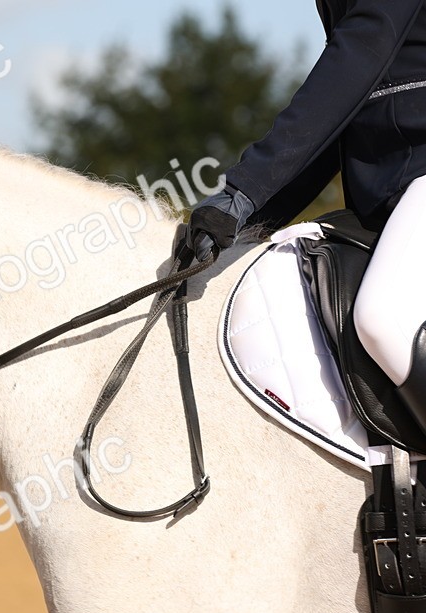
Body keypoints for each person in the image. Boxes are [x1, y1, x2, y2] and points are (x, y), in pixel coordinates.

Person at [179, 0, 426, 431]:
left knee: (381, 318)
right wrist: (248, 217)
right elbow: (346, 115)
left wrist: (242, 189)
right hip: (389, 200)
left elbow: (362, 50)